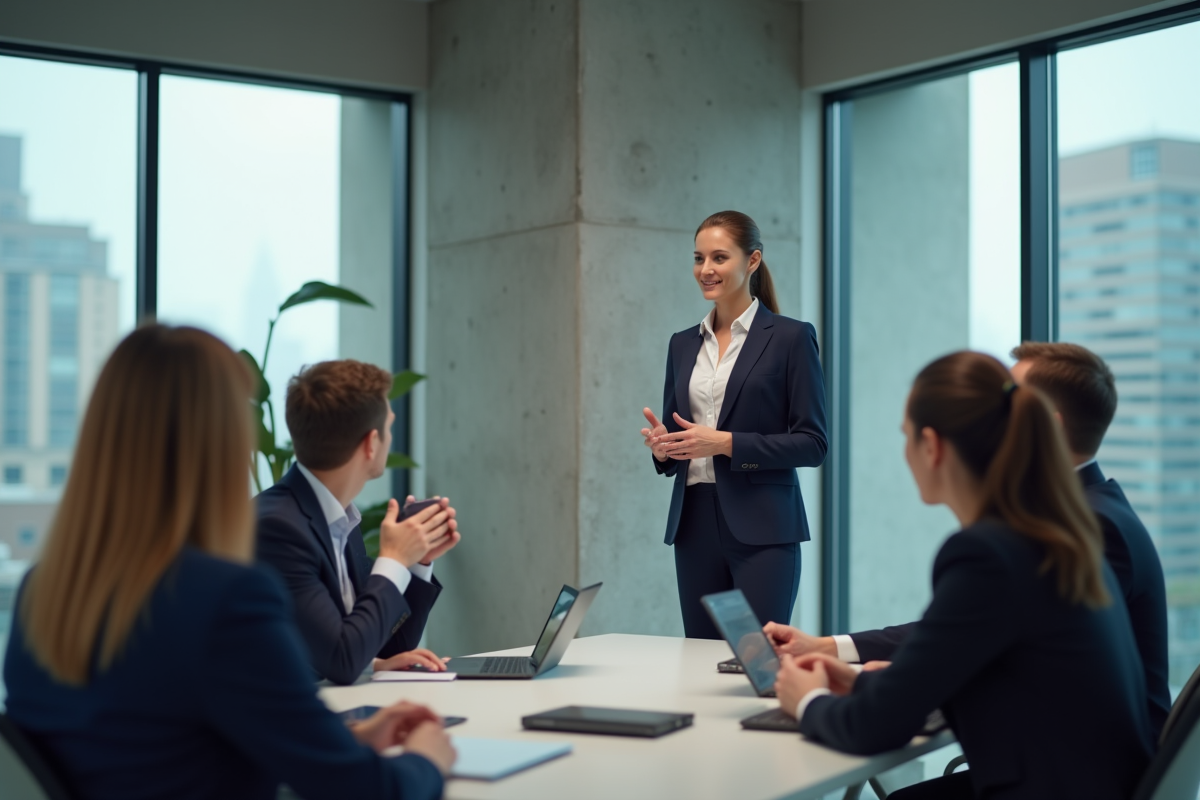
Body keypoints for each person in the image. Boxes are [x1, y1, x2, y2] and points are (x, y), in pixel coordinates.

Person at [3, 325, 455, 800]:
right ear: (220, 440)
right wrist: (427, 757)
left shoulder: (42, 591)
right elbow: (366, 790)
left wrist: (345, 739)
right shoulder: (221, 598)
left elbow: (153, 747)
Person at [773, 351, 1153, 800]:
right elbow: (984, 661)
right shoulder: (1056, 532)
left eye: (906, 437)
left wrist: (808, 700)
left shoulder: (989, 553)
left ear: (931, 446)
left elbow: (872, 729)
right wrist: (861, 681)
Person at [641, 210, 827, 638]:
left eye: (719, 258)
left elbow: (812, 444)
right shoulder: (682, 343)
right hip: (694, 525)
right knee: (700, 662)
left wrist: (725, 443)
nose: (706, 270)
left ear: (753, 261)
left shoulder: (791, 338)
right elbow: (680, 432)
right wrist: (664, 449)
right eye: (699, 258)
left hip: (763, 527)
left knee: (757, 662)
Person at [256, 360, 461, 686]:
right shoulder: (277, 529)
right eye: (390, 427)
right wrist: (393, 560)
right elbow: (343, 661)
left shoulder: (336, 519)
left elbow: (382, 646)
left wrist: (416, 562)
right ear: (371, 444)